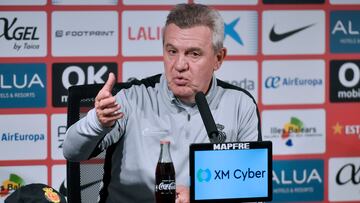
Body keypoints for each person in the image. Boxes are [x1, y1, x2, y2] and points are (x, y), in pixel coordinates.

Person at [63, 3, 261, 203]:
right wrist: (97, 123)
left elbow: (251, 190)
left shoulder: (239, 105)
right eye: (172, 51)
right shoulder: (132, 97)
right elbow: (71, 151)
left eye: (194, 54)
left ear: (218, 58)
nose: (179, 65)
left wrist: (200, 196)